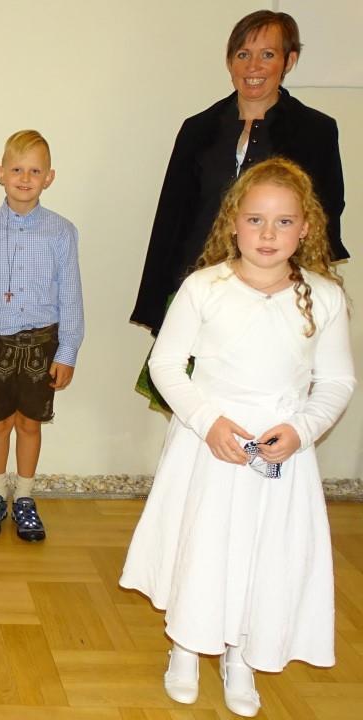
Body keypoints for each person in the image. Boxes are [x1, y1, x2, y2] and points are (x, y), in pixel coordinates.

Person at [119, 158, 355, 717]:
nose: (268, 234)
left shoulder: (324, 297)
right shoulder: (204, 288)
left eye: (283, 222)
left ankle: (241, 654)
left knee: (262, 552)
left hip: (280, 452)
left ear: (305, 228)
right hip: (209, 447)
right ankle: (185, 644)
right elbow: (166, 365)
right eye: (255, 220)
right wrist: (208, 423)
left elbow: (337, 381)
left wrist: (301, 430)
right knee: (202, 544)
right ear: (232, 223)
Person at [131, 10, 348, 411]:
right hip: (201, 286)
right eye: (243, 54)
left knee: (266, 397)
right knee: (190, 401)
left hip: (277, 291)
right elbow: (171, 216)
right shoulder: (197, 128)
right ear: (230, 61)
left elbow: (326, 211)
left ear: (290, 61)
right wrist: (158, 296)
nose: (253, 67)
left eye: (268, 54)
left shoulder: (316, 130)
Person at [0, 130, 84, 542]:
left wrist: (68, 351)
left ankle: (23, 496)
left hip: (43, 345)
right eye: (17, 169)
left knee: (29, 424)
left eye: (35, 171)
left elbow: (71, 296)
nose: (25, 178)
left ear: (49, 177)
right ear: (0, 173)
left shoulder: (61, 232)